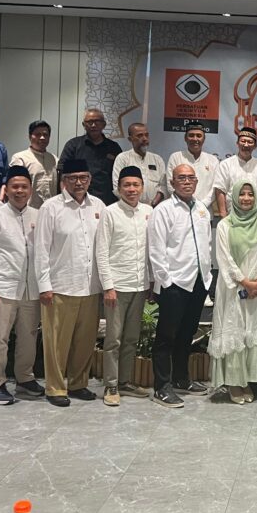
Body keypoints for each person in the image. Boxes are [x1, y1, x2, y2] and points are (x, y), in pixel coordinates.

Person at [34, 158, 105, 407]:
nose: (78, 183)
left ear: (90, 180)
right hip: (60, 286)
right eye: (73, 178)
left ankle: (78, 383)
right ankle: (55, 388)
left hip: (90, 286)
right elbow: (41, 249)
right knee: (57, 343)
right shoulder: (51, 208)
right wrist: (44, 286)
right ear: (64, 181)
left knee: (85, 341)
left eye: (83, 178)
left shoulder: (98, 206)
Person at [0, 165, 45, 405]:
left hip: (31, 289)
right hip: (3, 289)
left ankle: (25, 378)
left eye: (24, 187)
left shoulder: (39, 215)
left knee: (29, 337)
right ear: (7, 188)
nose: (19, 191)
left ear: (30, 189)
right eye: (15, 186)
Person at [147, 164, 213, 407]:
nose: (186, 182)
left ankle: (181, 379)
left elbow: (206, 245)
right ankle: (161, 387)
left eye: (190, 178)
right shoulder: (163, 210)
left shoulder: (202, 209)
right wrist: (166, 281)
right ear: (172, 182)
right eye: (181, 178)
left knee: (187, 334)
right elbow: (156, 250)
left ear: (196, 181)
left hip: (198, 282)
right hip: (174, 284)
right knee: (166, 336)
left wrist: (207, 276)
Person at [96, 166, 154, 407]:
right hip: (117, 286)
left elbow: (152, 250)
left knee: (131, 338)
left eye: (135, 185)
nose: (131, 189)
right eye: (127, 185)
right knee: (114, 339)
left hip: (140, 285)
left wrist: (151, 281)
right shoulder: (110, 213)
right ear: (119, 188)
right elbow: (101, 252)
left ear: (142, 187)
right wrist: (108, 286)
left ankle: (125, 381)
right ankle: (110, 384)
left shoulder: (149, 212)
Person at [209, 180, 257, 404]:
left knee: (250, 331)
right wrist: (245, 282)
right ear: (234, 197)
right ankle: (233, 382)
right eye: (241, 194)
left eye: (250, 194)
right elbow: (224, 258)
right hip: (233, 288)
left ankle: (246, 381)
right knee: (233, 330)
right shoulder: (225, 225)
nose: (246, 198)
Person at [58, 108, 123, 205]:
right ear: (84, 125)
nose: (93, 125)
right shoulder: (73, 145)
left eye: (97, 121)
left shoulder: (114, 147)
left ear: (104, 124)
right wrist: (65, 197)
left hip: (107, 201)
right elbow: (62, 173)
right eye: (89, 122)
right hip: (77, 200)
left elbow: (120, 175)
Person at [213, 126, 257, 216]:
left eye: (250, 142)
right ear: (237, 143)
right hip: (232, 215)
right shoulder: (226, 164)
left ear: (255, 146)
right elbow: (220, 190)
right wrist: (223, 214)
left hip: (255, 216)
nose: (246, 145)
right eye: (243, 141)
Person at [112, 122, 168, 207]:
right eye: (139, 136)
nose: (144, 138)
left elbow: (163, 186)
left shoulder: (157, 159)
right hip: (129, 208)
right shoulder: (122, 158)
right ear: (130, 139)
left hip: (154, 207)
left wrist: (154, 203)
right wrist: (136, 205)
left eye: (146, 135)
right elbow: (117, 187)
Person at [167, 121, 219, 210]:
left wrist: (202, 205)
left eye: (199, 136)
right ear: (185, 138)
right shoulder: (175, 157)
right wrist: (184, 204)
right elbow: (170, 185)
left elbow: (216, 187)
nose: (195, 139)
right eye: (191, 135)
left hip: (205, 210)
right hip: (179, 209)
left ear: (204, 138)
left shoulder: (213, 160)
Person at [9, 120, 58, 208]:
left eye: (45, 135)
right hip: (27, 209)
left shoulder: (54, 159)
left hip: (51, 210)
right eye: (38, 134)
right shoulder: (20, 158)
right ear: (30, 137)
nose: (42, 138)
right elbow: (15, 186)